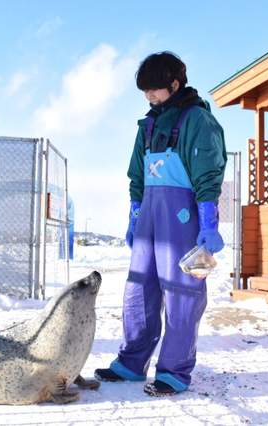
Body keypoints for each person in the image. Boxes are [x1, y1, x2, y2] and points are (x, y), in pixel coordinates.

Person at [94, 51, 226, 396]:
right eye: (145, 91)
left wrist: (209, 220)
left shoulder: (198, 120)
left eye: (154, 89)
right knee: (138, 291)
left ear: (174, 83)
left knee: (183, 293)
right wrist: (135, 212)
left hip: (183, 216)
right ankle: (131, 362)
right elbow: (137, 173)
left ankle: (174, 371)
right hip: (150, 215)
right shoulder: (148, 125)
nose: (149, 97)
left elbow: (208, 172)